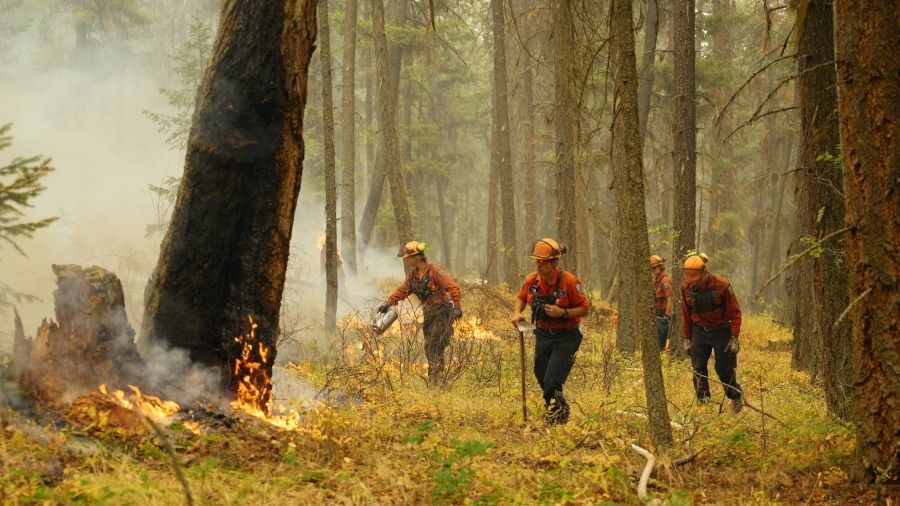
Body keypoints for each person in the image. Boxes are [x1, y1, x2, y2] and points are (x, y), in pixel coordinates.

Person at [511, 238, 590, 424]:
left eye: (544, 261)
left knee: (551, 381)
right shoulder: (532, 281)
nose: (539, 265)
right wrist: (516, 313)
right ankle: (556, 408)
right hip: (543, 336)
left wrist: (562, 312)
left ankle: (557, 417)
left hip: (566, 337)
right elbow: (520, 297)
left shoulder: (569, 282)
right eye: (537, 261)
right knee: (541, 375)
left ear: (554, 262)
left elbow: (585, 308)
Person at [377, 240, 462, 385]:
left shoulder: (435, 270)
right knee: (429, 346)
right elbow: (402, 290)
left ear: (417, 257)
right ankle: (435, 378)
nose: (407, 260)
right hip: (428, 313)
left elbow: (453, 287)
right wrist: (388, 303)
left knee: (435, 344)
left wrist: (457, 307)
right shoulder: (413, 276)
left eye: (408, 258)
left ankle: (437, 379)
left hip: (442, 311)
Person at [680, 254, 743, 413]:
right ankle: (704, 403)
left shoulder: (722, 286)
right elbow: (686, 315)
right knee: (698, 368)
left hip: (722, 331)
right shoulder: (686, 288)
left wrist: (734, 337)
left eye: (696, 278)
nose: (693, 282)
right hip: (699, 331)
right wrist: (687, 338)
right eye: (690, 278)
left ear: (704, 272)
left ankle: (735, 397)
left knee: (724, 369)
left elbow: (735, 313)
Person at [650, 255, 673, 352]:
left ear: (660, 267)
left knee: (662, 341)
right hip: (657, 314)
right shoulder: (656, 281)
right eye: (652, 268)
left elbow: (670, 299)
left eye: (655, 268)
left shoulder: (665, 280)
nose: (653, 270)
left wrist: (666, 316)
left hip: (663, 315)